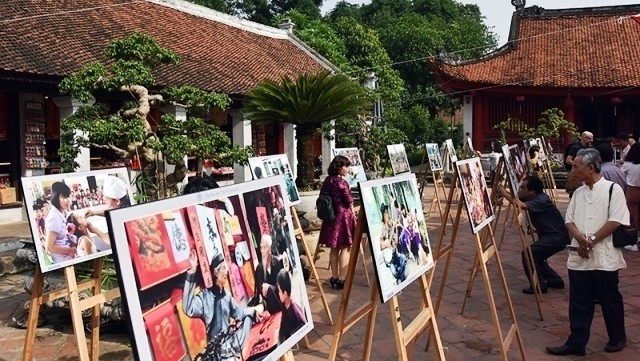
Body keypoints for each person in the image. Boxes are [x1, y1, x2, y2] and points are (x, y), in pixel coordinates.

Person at [546, 148, 629, 356]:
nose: (572, 170)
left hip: (604, 255)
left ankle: (617, 337)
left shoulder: (612, 190)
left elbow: (616, 219)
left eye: (576, 166)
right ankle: (577, 342)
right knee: (579, 302)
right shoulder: (579, 192)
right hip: (579, 254)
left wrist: (591, 240)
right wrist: (581, 240)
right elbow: (569, 220)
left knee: (609, 299)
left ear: (590, 168)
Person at [497, 176, 569, 294]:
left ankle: (538, 285)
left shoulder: (541, 200)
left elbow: (521, 205)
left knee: (528, 254)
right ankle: (554, 280)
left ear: (532, 191)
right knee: (537, 257)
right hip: (551, 236)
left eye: (523, 188)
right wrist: (505, 191)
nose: (520, 190)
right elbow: (519, 199)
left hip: (556, 237)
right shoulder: (535, 197)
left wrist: (505, 194)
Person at [183, 252, 261, 360]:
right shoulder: (205, 297)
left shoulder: (227, 295)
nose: (227, 272)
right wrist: (192, 272)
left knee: (248, 318)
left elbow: (238, 313)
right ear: (216, 272)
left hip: (230, 346)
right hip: (216, 353)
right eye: (223, 268)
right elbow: (188, 308)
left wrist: (253, 312)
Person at [318, 155, 356, 290]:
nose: (347, 168)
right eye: (345, 166)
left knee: (334, 248)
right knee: (346, 247)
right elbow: (349, 201)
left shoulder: (328, 181)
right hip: (343, 217)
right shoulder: (342, 183)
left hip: (331, 217)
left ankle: (334, 277)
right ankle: (342, 278)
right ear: (340, 167)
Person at [44, 182, 95, 263]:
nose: (68, 200)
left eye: (68, 196)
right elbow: (49, 247)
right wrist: (70, 250)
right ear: (56, 198)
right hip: (63, 259)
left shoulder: (64, 212)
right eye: (64, 197)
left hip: (71, 253)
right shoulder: (53, 217)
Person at [252, 234, 289, 314]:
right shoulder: (259, 268)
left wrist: (270, 287)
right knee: (269, 290)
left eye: (264, 247)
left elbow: (282, 283)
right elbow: (259, 288)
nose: (262, 251)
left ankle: (282, 310)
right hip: (269, 300)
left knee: (271, 289)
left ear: (269, 249)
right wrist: (264, 289)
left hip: (279, 296)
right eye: (261, 247)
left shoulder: (277, 262)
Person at [275, 268, 307, 343]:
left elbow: (304, 324)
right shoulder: (283, 303)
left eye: (279, 292)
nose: (278, 294)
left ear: (285, 293)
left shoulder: (294, 306)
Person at [621, 142, 640, 252]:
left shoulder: (628, 164)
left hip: (632, 190)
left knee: (632, 217)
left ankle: (633, 241)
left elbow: (622, 174)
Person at [564, 131, 594, 197]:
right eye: (589, 138)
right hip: (575, 174)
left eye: (592, 138)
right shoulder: (575, 147)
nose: (591, 140)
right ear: (584, 138)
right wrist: (577, 166)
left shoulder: (589, 147)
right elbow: (568, 160)